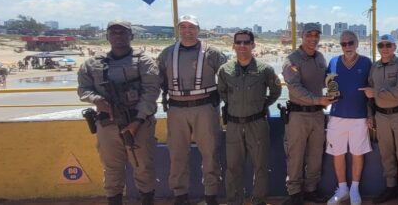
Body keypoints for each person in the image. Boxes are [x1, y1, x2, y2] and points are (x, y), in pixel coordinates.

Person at [77, 20, 159, 205]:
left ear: (131, 36)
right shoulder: (93, 63)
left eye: (123, 33)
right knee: (112, 168)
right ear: (107, 36)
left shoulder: (144, 61)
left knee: (143, 166)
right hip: (107, 124)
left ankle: (147, 199)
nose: (118, 36)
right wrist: (97, 100)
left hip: (138, 123)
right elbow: (83, 89)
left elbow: (151, 91)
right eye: (113, 33)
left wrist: (137, 121)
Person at [158, 15, 227, 205]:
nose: (187, 31)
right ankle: (180, 195)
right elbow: (156, 80)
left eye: (192, 27)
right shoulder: (167, 53)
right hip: (176, 109)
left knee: (210, 153)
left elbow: (227, 77)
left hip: (205, 108)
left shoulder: (212, 53)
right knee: (177, 153)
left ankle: (211, 195)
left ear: (198, 29)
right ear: (179, 29)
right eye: (183, 27)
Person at [218, 30, 281, 205]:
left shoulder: (264, 69)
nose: (242, 46)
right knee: (233, 168)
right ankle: (234, 201)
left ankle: (259, 200)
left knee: (260, 166)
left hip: (257, 124)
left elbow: (276, 91)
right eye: (238, 42)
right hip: (234, 125)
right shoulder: (225, 70)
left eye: (247, 42)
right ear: (233, 45)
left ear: (253, 45)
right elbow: (223, 93)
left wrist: (261, 104)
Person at [282, 23, 337, 205]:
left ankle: (311, 190)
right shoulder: (292, 60)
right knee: (295, 156)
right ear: (301, 36)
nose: (313, 38)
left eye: (316, 35)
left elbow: (324, 81)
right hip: (298, 115)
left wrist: (331, 89)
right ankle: (295, 194)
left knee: (315, 155)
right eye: (309, 35)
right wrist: (318, 100)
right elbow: (295, 89)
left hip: (318, 115)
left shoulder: (320, 57)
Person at [362, 34, 398, 205]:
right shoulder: (374, 67)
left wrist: (376, 93)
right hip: (381, 116)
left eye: (388, 45)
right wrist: (370, 115)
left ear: (394, 47)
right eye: (381, 45)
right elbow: (369, 97)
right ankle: (391, 187)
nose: (384, 48)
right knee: (386, 154)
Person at [324, 30, 373, 205]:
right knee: (337, 153)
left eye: (350, 43)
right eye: (343, 44)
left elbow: (372, 90)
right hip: (337, 115)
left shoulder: (367, 63)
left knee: (357, 153)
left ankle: (354, 189)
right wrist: (328, 95)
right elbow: (329, 85)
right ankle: (343, 188)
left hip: (359, 117)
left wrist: (370, 114)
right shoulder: (334, 62)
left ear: (357, 43)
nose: (347, 47)